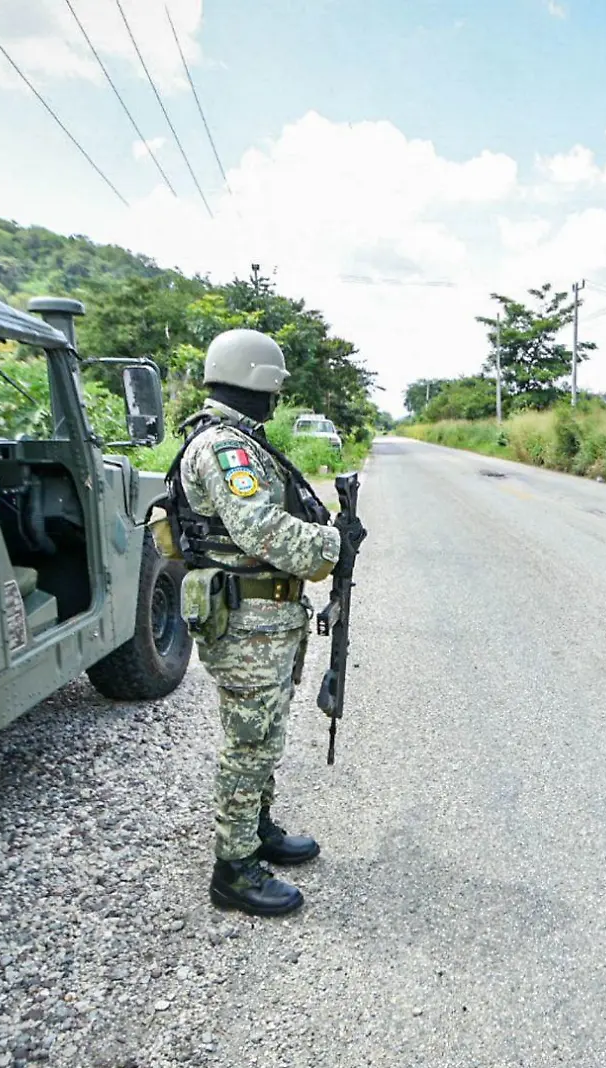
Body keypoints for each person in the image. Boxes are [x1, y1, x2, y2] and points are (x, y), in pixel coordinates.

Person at [171, 328, 359, 917]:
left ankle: (257, 830)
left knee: (266, 733)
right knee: (248, 742)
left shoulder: (238, 441)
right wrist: (332, 546)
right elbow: (260, 530)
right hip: (247, 620)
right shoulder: (226, 448)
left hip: (265, 619)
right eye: (274, 387)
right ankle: (234, 870)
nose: (276, 398)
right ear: (258, 382)